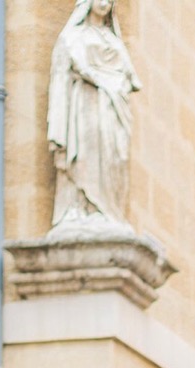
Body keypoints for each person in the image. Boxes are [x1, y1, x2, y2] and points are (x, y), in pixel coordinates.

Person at [47, 0, 140, 227]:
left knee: (114, 154)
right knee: (86, 150)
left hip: (112, 105)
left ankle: (108, 211)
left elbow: (134, 80)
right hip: (85, 105)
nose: (105, 3)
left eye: (110, 0)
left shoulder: (113, 40)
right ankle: (81, 205)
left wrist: (113, 84)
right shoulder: (73, 36)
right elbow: (65, 70)